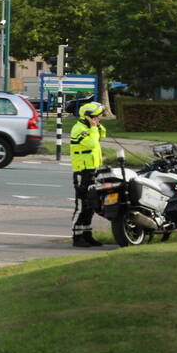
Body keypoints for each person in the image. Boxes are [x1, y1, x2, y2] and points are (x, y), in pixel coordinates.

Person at [69, 101, 106, 247]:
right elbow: (92, 144)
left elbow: (101, 136)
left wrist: (96, 126)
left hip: (93, 171)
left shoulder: (90, 128)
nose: (99, 118)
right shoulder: (79, 129)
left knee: (91, 205)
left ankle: (87, 235)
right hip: (82, 172)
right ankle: (77, 237)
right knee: (81, 205)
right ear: (88, 117)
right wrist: (93, 127)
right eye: (97, 116)